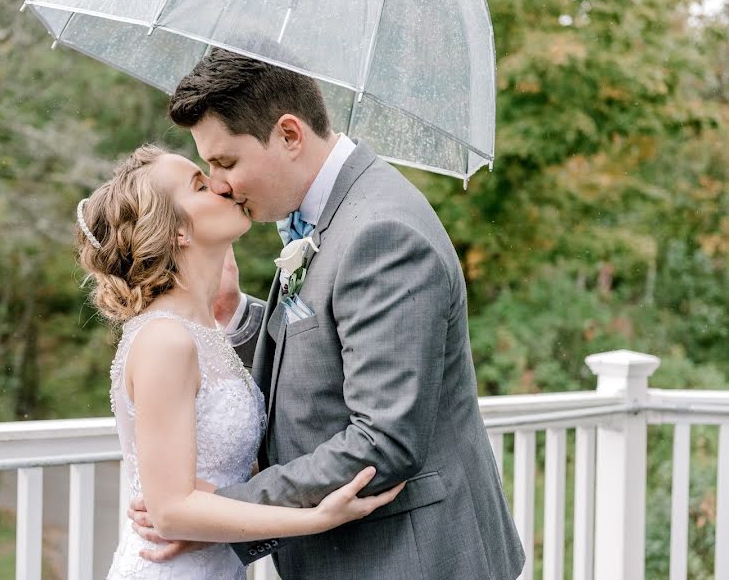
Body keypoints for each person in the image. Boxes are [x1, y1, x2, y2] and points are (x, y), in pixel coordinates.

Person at [128, 49, 525, 579]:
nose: (220, 183)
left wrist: (228, 507)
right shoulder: (320, 217)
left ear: (289, 135)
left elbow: (383, 440)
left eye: (226, 162)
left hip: (406, 559)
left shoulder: (381, 233)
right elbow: (321, 360)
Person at [75, 145, 405, 580]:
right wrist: (320, 518)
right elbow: (172, 511)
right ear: (178, 231)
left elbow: (219, 469)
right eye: (199, 184)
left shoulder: (206, 332)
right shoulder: (164, 340)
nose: (220, 185)